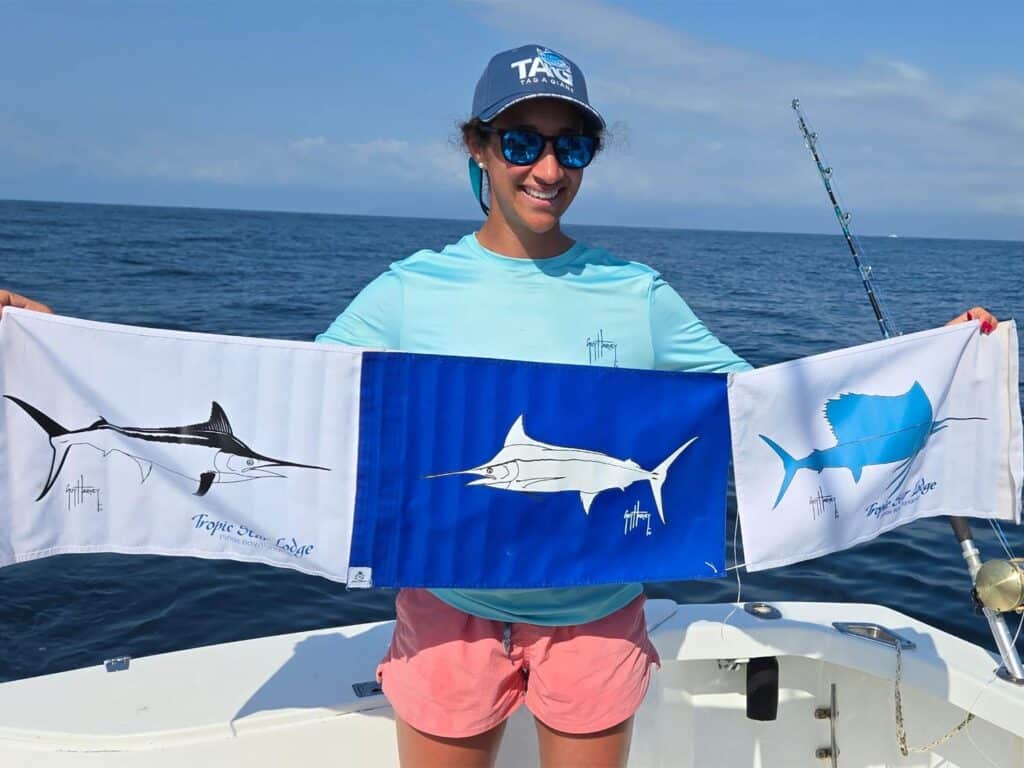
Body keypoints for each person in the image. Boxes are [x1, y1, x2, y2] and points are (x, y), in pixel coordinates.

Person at [0, 43, 1000, 768]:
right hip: (448, 606)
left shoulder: (636, 293)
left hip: (598, 606)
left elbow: (762, 406)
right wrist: (60, 345)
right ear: (477, 148)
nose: (547, 168)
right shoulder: (407, 290)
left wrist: (942, 355)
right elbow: (283, 402)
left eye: (572, 147)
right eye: (522, 140)